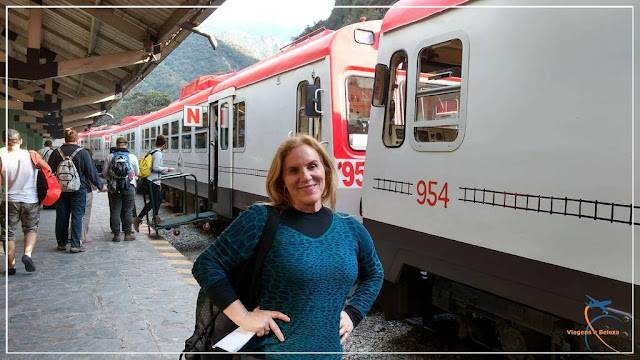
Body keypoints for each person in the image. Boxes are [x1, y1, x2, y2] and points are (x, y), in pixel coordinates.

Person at [192, 134, 384, 359]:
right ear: (282, 180)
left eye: (312, 166)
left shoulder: (350, 228)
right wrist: (244, 317)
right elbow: (207, 264)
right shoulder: (262, 218)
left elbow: (374, 274)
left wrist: (353, 313)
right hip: (269, 354)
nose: (306, 176)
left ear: (325, 171)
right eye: (293, 170)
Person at [0, 129, 51, 275]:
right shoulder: (32, 155)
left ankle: (11, 266)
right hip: (31, 200)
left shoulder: (2, 158)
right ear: (20, 141)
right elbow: (48, 169)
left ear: (4, 142)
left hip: (9, 201)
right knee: (30, 229)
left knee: (8, 233)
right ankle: (27, 254)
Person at [48, 128, 106, 253]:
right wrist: (101, 186)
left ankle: (62, 243)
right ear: (77, 139)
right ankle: (75, 244)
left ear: (65, 139)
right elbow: (91, 172)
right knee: (77, 216)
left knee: (62, 216)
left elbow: (49, 171)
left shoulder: (56, 152)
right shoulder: (83, 153)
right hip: (79, 189)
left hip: (61, 189)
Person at [132, 134, 174, 231]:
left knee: (156, 199)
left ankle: (154, 217)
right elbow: (155, 168)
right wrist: (166, 169)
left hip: (149, 180)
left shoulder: (152, 151)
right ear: (164, 145)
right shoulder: (158, 153)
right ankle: (139, 219)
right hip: (152, 180)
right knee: (156, 200)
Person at [103, 137, 139, 242]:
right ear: (127, 145)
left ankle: (117, 235)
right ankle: (128, 234)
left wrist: (113, 180)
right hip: (129, 186)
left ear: (117, 144)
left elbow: (105, 173)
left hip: (115, 187)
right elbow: (137, 172)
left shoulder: (110, 157)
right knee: (128, 210)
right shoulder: (132, 157)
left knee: (115, 211)